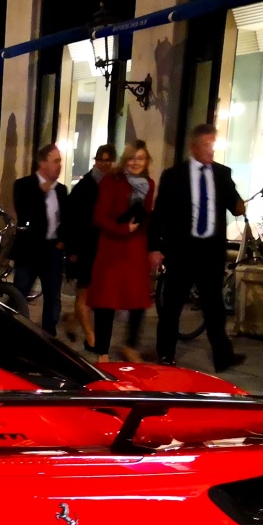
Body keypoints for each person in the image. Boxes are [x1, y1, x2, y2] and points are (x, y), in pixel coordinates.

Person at [150, 123, 246, 371]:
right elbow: (160, 215)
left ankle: (223, 355)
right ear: (194, 147)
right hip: (183, 249)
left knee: (214, 305)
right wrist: (154, 247)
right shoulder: (174, 176)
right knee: (172, 304)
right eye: (207, 144)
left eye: (213, 144)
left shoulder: (221, 174)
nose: (211, 149)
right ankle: (165, 354)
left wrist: (239, 205)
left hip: (210, 251)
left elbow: (233, 204)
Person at [86, 140, 155, 364]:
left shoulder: (149, 184)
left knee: (137, 300)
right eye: (132, 158)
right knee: (106, 302)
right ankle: (102, 352)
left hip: (135, 250)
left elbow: (146, 215)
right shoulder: (111, 181)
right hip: (112, 249)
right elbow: (98, 217)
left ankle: (130, 345)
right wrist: (123, 228)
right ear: (125, 160)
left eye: (141, 158)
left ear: (146, 161)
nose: (136, 163)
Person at [11, 143, 69, 338]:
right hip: (29, 251)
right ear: (42, 163)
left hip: (52, 250)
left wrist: (62, 242)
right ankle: (15, 332)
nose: (59, 165)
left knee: (53, 297)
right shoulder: (24, 185)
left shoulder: (61, 190)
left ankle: (48, 337)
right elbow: (24, 212)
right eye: (55, 161)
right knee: (20, 294)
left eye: (60, 161)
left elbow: (66, 219)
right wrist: (41, 191)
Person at [65, 144, 118, 351]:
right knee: (84, 293)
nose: (104, 164)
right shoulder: (85, 186)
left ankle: (75, 320)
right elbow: (72, 219)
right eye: (101, 160)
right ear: (95, 161)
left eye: (108, 160)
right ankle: (91, 338)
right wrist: (72, 250)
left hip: (107, 250)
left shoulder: (116, 184)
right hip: (87, 249)